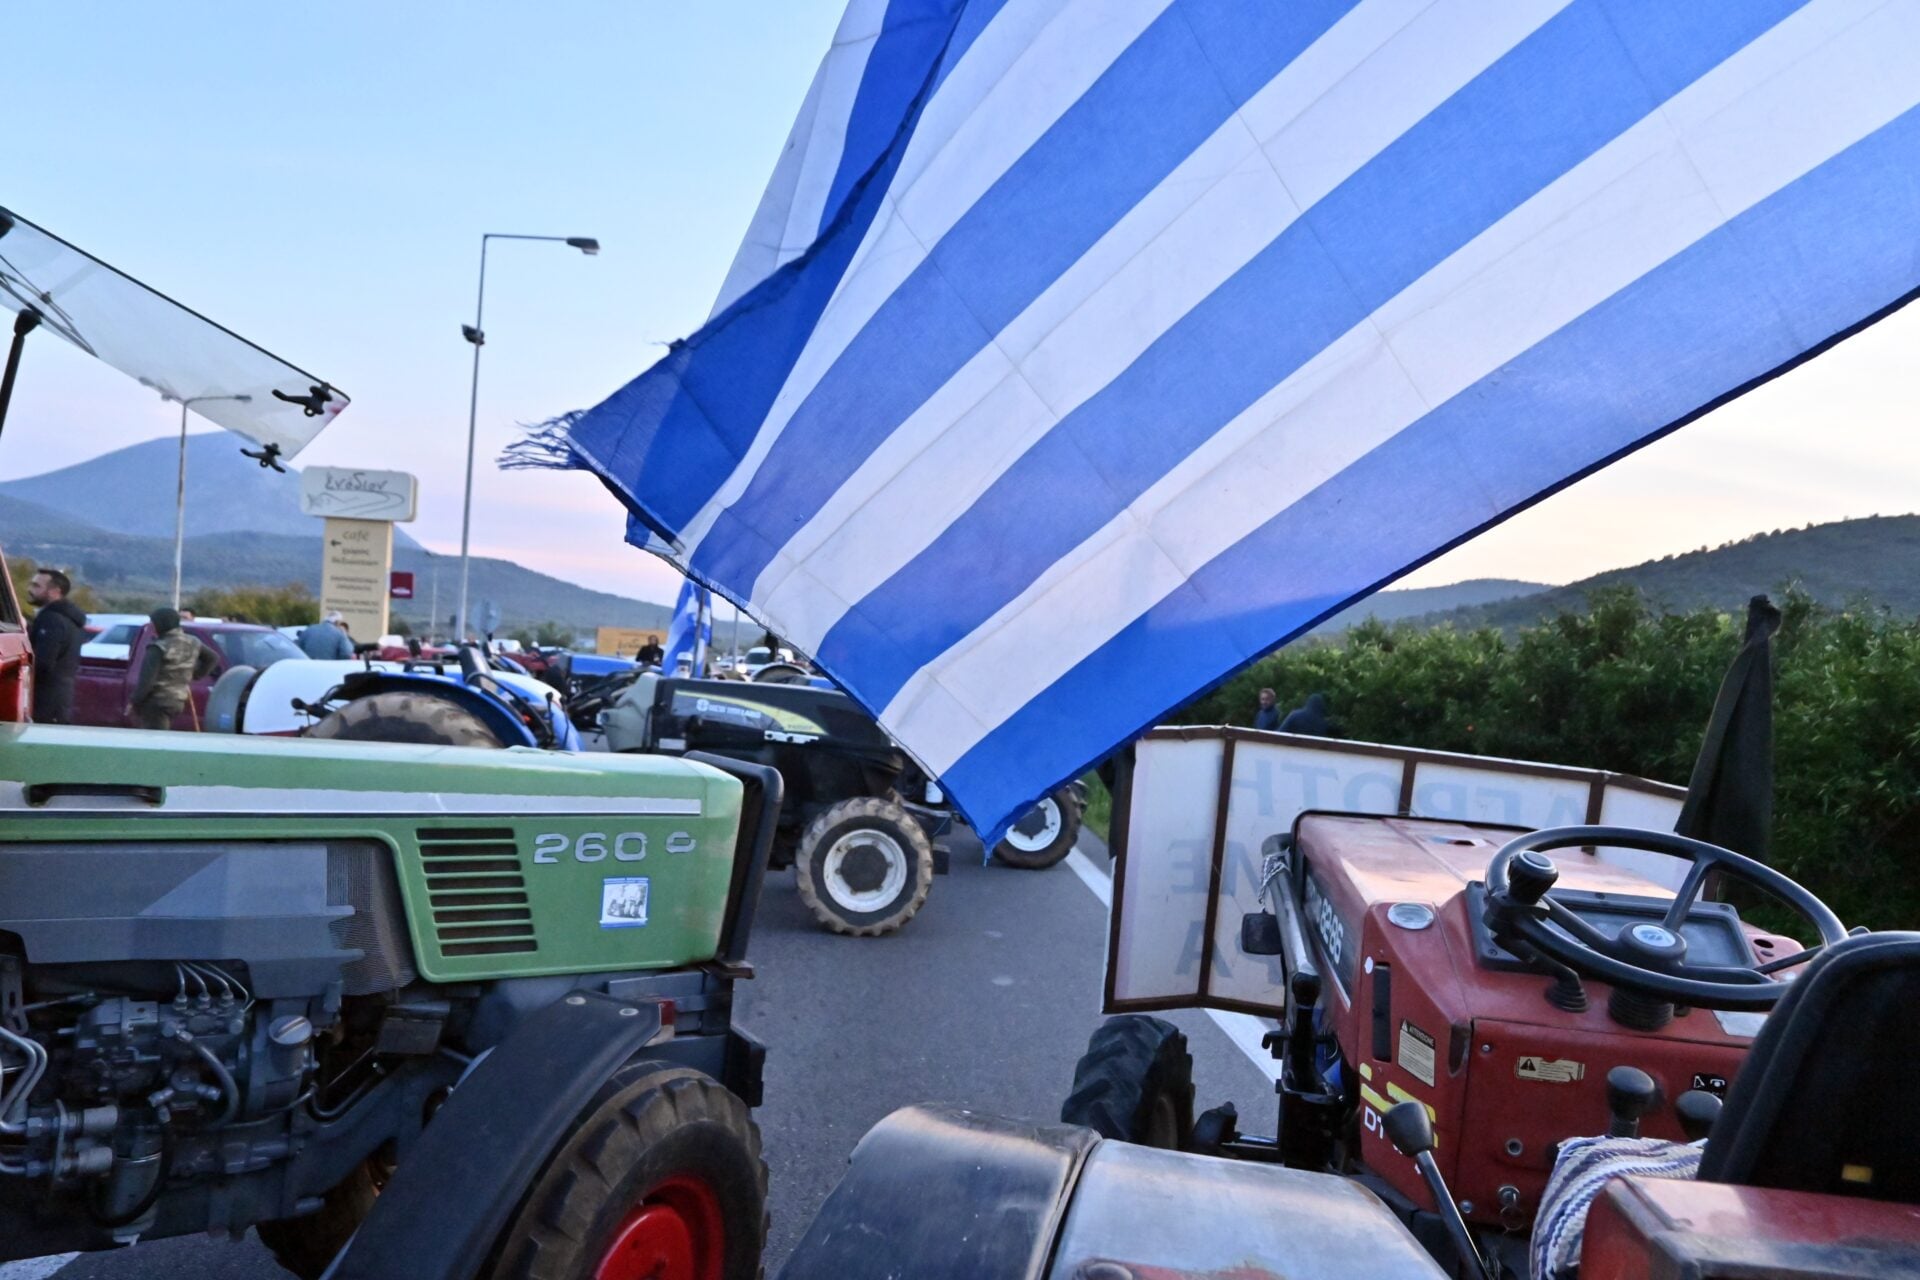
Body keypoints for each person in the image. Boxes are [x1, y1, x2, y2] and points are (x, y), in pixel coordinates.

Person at [129, 607, 218, 730]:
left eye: (153, 623)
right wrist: (193, 674)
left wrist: (134, 701)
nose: (152, 626)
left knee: (154, 741)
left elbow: (147, 681)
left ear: (162, 624)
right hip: (177, 700)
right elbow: (213, 658)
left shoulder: (158, 647)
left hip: (156, 701)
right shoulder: (193, 641)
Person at [25, 568, 87, 724]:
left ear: (55, 592)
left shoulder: (52, 620)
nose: (30, 590)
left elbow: (43, 663)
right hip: (59, 701)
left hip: (45, 703)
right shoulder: (69, 620)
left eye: (36, 586)